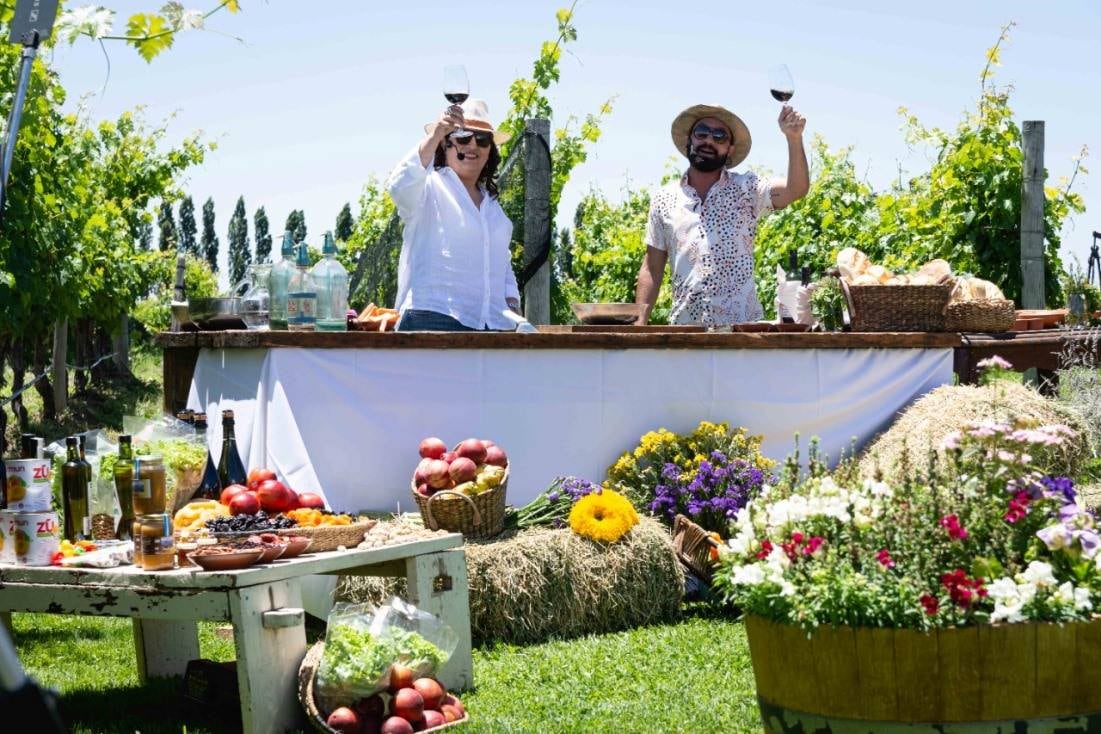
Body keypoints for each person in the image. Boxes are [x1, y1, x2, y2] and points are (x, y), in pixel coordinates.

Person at [635, 103, 809, 326]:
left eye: (719, 136)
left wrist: (793, 138)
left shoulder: (747, 188)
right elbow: (652, 267)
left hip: (743, 334)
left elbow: (796, 189)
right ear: (690, 139)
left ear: (730, 149)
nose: (709, 141)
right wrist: (639, 326)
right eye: (702, 133)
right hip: (687, 332)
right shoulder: (664, 199)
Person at [387, 99, 520, 331]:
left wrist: (513, 309)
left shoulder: (493, 207)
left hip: (492, 325)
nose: (473, 146)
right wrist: (436, 133)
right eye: (463, 136)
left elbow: (501, 263)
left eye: (482, 140)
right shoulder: (428, 188)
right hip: (432, 318)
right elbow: (399, 185)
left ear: (490, 151)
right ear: (444, 145)